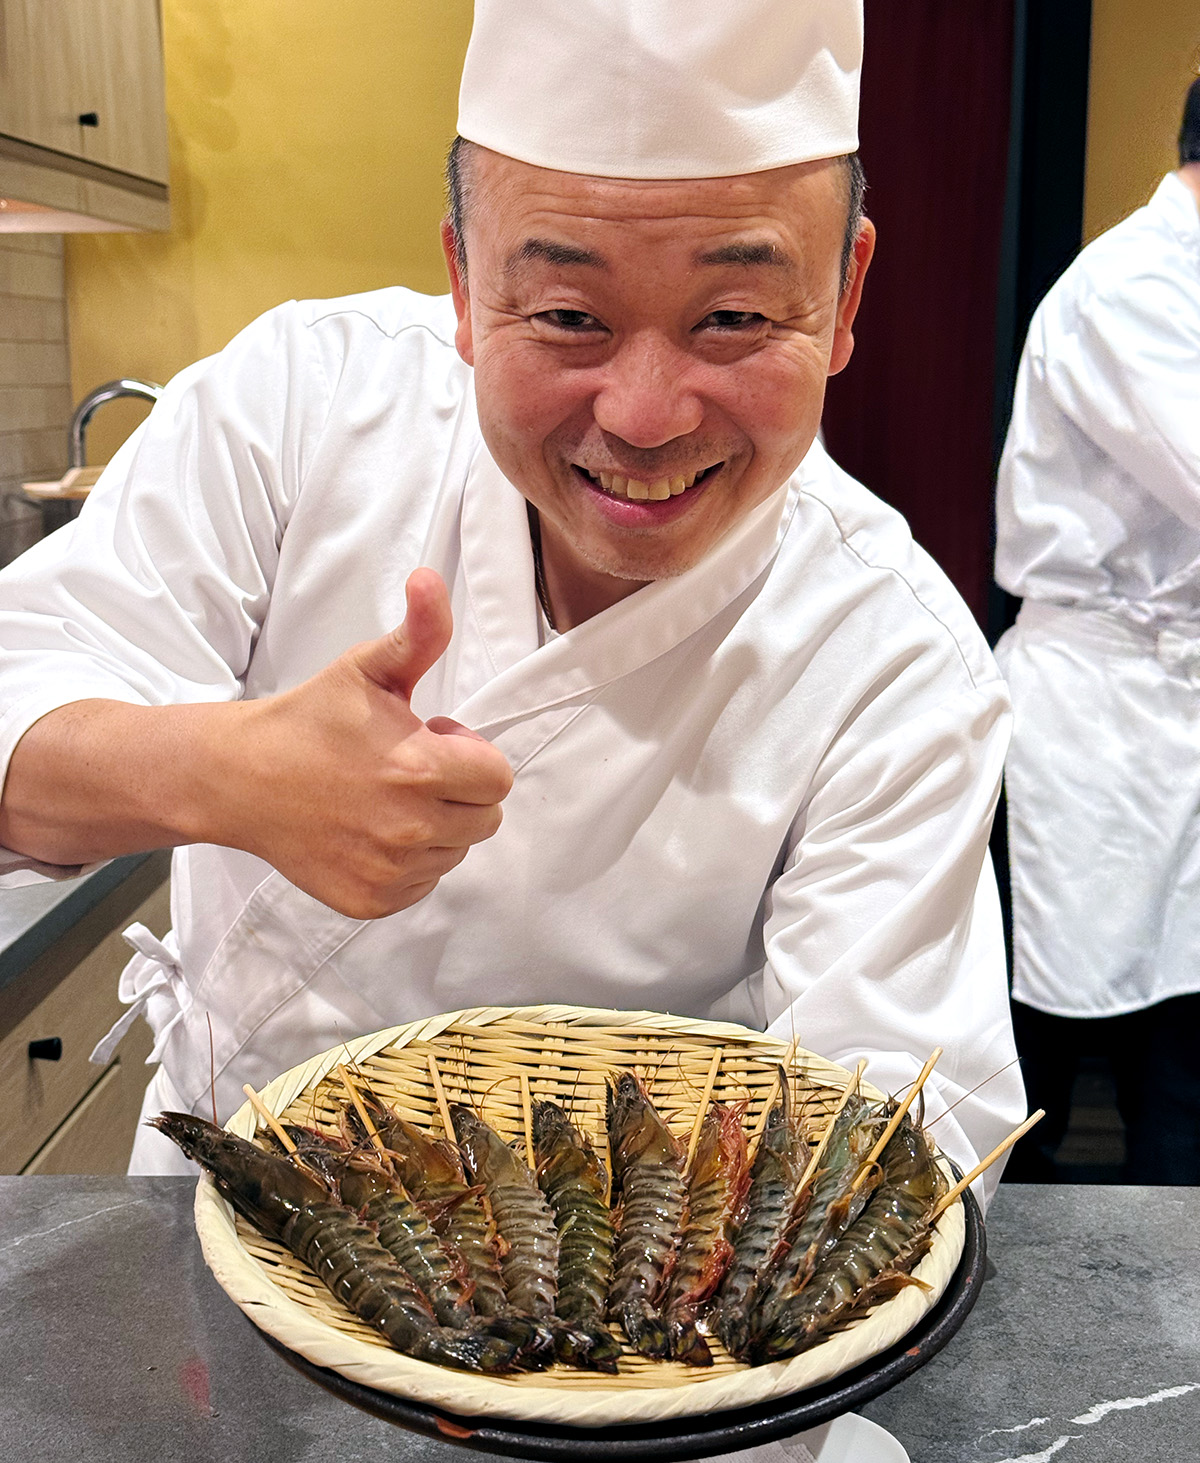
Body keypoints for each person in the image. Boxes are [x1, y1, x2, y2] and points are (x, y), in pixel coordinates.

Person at [0, 0, 1021, 1187]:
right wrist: (230, 776)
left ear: (844, 296)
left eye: (735, 317)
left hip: (644, 1307)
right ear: (462, 283)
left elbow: (891, 1137)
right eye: (568, 316)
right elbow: (23, 693)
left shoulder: (893, 658)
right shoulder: (302, 406)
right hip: (222, 1220)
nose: (645, 415)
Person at [995, 79, 1200, 1183]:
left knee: (1185, 1071)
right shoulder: (1131, 289)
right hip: (1098, 716)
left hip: (1177, 708)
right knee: (1034, 1081)